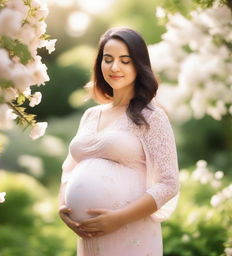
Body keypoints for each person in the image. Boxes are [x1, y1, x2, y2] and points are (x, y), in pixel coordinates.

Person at [58, 27, 180, 256]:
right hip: (88, 238)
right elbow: (69, 169)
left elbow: (168, 183)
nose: (115, 67)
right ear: (99, 63)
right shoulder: (90, 115)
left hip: (130, 232)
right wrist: (62, 209)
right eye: (108, 59)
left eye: (125, 61)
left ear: (139, 65)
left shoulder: (151, 116)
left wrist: (117, 219)